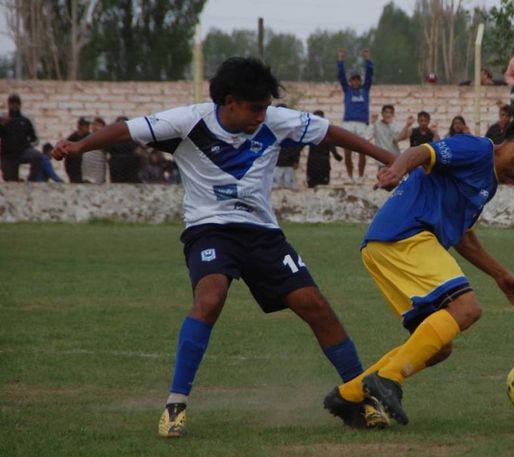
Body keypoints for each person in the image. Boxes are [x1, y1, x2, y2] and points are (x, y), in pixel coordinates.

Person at [52, 57, 397, 437]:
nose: (262, 116)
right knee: (210, 298)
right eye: (255, 108)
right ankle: (175, 404)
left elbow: (332, 133)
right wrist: (78, 146)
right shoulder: (188, 121)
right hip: (210, 230)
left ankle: (357, 397)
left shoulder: (274, 121)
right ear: (229, 102)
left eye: (266, 107)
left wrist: (392, 160)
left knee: (314, 304)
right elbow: (125, 131)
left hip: (263, 233)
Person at [323, 114, 514, 426]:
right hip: (406, 235)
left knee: (436, 349)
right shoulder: (477, 149)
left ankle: (349, 396)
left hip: (389, 245)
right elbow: (423, 152)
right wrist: (397, 169)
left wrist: (501, 274)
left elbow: (463, 236)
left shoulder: (488, 185)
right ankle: (388, 379)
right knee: (466, 308)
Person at [337, 47, 373, 182]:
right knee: (347, 151)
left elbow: (370, 74)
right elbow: (341, 75)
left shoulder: (365, 90)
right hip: (348, 123)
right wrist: (341, 59)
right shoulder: (347, 90)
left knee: (362, 150)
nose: (356, 82)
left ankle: (361, 176)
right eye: (353, 80)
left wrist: (367, 59)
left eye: (358, 79)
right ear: (350, 81)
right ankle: (350, 176)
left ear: (361, 81)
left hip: (362, 123)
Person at [0, 93, 44, 182]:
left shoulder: (25, 121)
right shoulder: (3, 120)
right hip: (8, 155)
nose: (14, 105)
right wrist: (2, 124)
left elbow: (34, 139)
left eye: (16, 103)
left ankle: (31, 181)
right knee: (11, 182)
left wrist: (26, 145)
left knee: (37, 156)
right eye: (12, 103)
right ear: (8, 105)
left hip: (23, 152)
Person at [306, 110, 343, 188]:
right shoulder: (310, 132)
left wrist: (337, 156)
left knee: (323, 187)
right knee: (312, 187)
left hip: (323, 164)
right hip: (313, 165)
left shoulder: (326, 132)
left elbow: (332, 146)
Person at [108, 116, 144, 183]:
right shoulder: (112, 139)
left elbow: (139, 152)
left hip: (130, 170)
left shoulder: (133, 138)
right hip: (117, 169)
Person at [81, 117, 108, 184]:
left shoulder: (104, 137)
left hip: (97, 165)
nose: (94, 127)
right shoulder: (88, 136)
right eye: (93, 125)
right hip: (87, 166)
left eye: (97, 125)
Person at [65, 117, 91, 183]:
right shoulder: (72, 138)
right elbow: (67, 157)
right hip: (75, 170)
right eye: (85, 125)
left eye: (88, 125)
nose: (87, 127)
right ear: (80, 126)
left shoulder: (90, 136)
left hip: (87, 171)